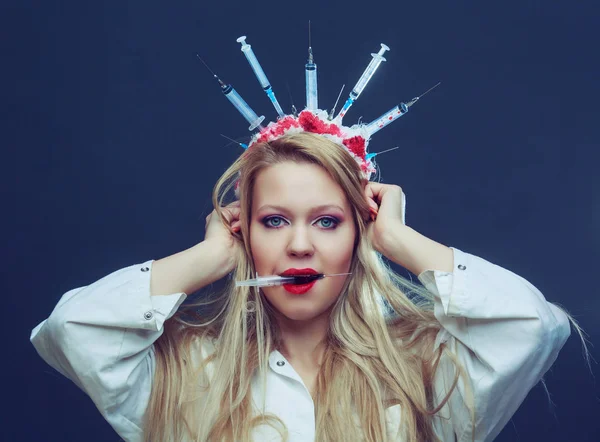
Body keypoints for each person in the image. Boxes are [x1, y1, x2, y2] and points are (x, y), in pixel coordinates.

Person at [30, 131, 578, 442]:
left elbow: (532, 328)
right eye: (273, 221)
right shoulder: (187, 373)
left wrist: (400, 240)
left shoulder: (424, 373)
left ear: (359, 231)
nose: (298, 246)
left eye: (327, 221)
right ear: (241, 232)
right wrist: (206, 258)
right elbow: (70, 333)